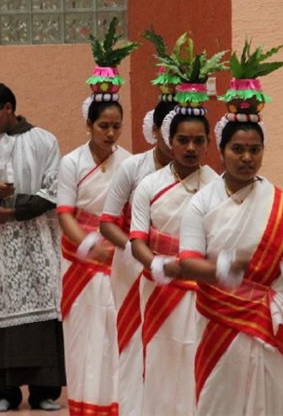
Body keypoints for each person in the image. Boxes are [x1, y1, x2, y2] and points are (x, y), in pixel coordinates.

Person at [179, 59, 283, 415]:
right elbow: (187, 263)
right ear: (221, 151)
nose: (247, 158)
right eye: (238, 149)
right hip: (218, 322)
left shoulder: (279, 203)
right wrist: (222, 267)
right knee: (218, 401)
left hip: (266, 323)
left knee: (267, 402)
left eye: (255, 150)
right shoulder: (202, 203)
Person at [0, 83, 66, 412]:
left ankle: (43, 392)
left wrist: (13, 210)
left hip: (35, 240)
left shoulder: (43, 141)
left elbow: (53, 190)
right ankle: (4, 393)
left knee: (42, 311)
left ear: (9, 108)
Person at [129, 106, 218, 415]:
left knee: (199, 360)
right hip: (158, 289)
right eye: (183, 140)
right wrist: (157, 265)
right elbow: (137, 240)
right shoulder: (149, 186)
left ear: (209, 143)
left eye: (198, 140)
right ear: (169, 140)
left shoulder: (218, 187)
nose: (191, 148)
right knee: (160, 363)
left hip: (204, 288)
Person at [99, 100, 175, 416]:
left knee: (172, 338)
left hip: (178, 267)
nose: (180, 143)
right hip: (133, 264)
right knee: (134, 342)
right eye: (172, 133)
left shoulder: (199, 174)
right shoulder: (133, 168)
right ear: (155, 131)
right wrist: (137, 249)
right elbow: (107, 221)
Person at [57, 96, 130, 415]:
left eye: (116, 126)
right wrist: (88, 245)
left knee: (115, 336)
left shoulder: (129, 163)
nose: (110, 133)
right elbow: (65, 215)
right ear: (88, 125)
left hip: (118, 260)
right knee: (84, 339)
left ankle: (118, 405)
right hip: (79, 261)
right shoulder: (71, 162)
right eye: (103, 126)